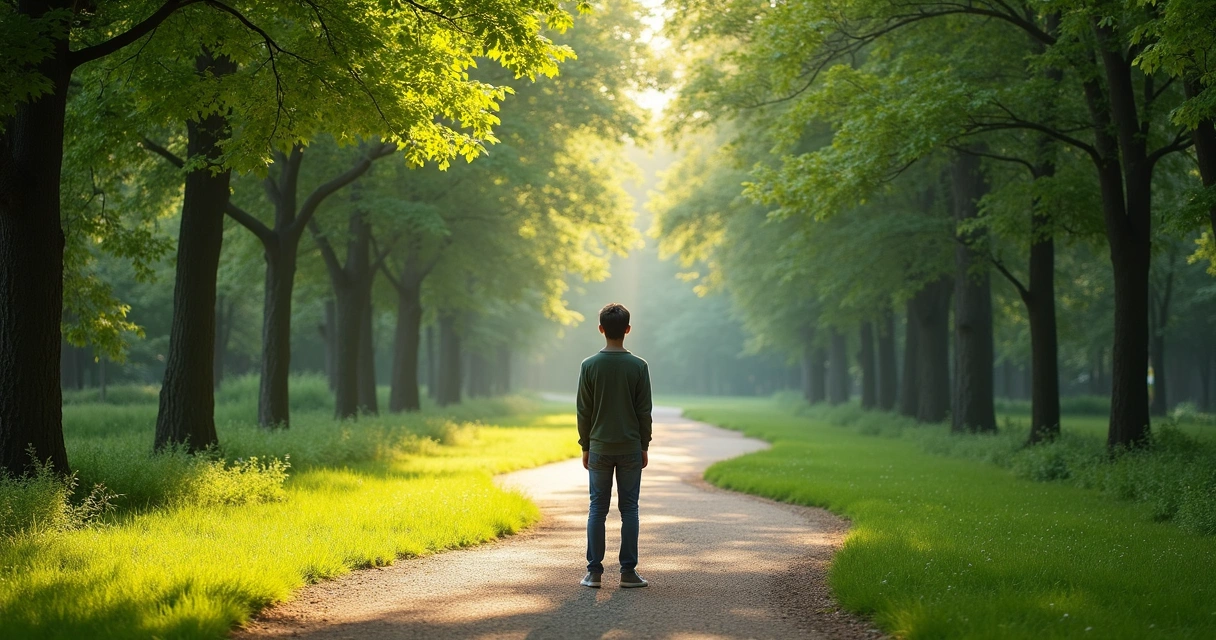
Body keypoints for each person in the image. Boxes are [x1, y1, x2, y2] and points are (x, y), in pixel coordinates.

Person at [577, 302, 653, 589]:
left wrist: (586, 446)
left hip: (599, 448)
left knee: (597, 508)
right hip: (631, 447)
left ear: (601, 329)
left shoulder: (589, 366)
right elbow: (644, 410)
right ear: (628, 330)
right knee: (629, 508)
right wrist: (644, 444)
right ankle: (628, 573)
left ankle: (593, 573)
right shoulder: (638, 366)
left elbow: (583, 411)